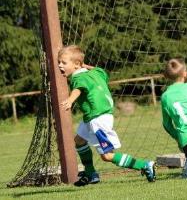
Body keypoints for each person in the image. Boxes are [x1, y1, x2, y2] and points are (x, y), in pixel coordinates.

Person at [58, 45, 156, 186]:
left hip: (98, 119)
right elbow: (101, 71)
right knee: (79, 141)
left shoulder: (77, 78)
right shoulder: (96, 73)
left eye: (64, 62)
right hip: (92, 117)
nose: (60, 65)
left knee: (107, 156)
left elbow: (78, 89)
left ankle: (144, 165)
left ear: (76, 65)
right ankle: (91, 173)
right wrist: (83, 65)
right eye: (59, 62)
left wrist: (70, 100)